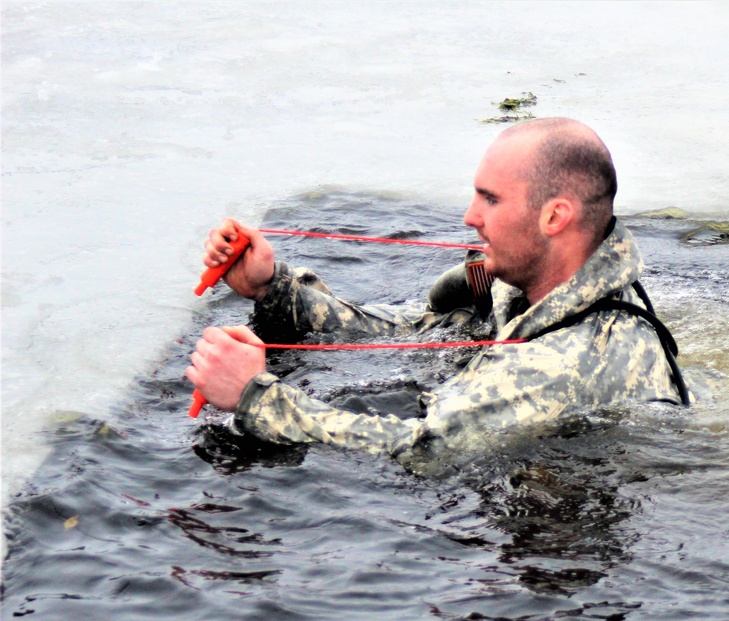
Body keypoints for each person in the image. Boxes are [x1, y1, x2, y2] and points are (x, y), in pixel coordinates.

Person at [185, 118, 683, 466]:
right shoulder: (542, 290)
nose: (470, 216)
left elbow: (424, 449)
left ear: (555, 217)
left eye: (490, 199)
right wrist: (273, 288)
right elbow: (408, 328)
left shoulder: (568, 360)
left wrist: (257, 399)